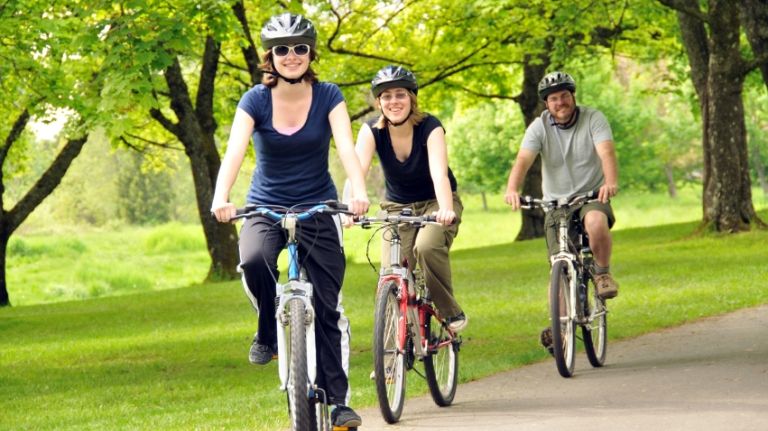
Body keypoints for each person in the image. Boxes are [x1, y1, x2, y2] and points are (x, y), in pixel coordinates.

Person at [210, 13, 368, 427]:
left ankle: (338, 402)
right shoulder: (255, 100)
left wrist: (358, 190)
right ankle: (266, 330)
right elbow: (234, 152)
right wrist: (221, 197)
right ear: (271, 57)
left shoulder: (329, 94)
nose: (292, 56)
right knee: (254, 259)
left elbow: (347, 148)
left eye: (300, 48)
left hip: (318, 206)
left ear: (311, 52)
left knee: (328, 308)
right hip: (266, 205)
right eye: (282, 49)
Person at [503, 71, 619, 351]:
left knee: (595, 223)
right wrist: (512, 189)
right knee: (559, 263)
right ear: (546, 104)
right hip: (556, 203)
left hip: (590, 194)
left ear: (573, 96)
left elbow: (606, 152)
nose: (560, 102)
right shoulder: (539, 127)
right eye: (553, 99)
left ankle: (602, 273)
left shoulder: (593, 118)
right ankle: (562, 325)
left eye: (564, 96)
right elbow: (523, 159)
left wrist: (610, 181)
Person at [347, 65, 467, 332]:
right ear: (378, 102)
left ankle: (449, 311)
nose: (393, 102)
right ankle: (391, 357)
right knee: (391, 274)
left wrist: (446, 209)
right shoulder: (371, 131)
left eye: (400, 94)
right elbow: (356, 172)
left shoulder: (430, 126)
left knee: (425, 247)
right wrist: (350, 207)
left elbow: (440, 175)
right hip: (397, 208)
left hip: (435, 202)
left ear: (412, 98)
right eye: (386, 96)